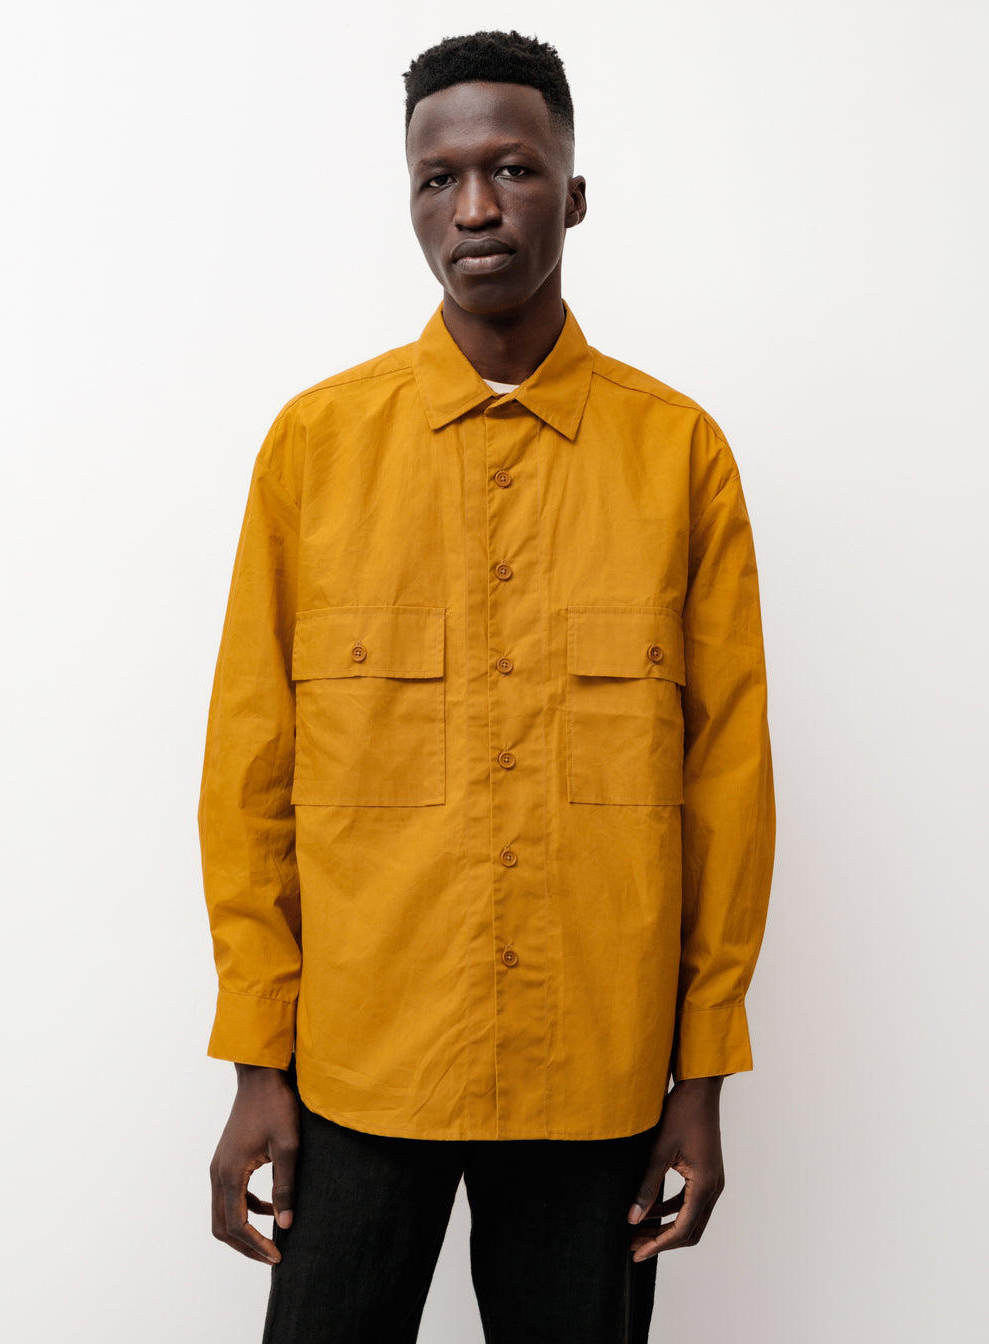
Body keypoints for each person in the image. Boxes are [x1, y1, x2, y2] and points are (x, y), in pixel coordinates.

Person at [199, 29, 776, 1344]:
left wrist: (701, 1080)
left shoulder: (680, 458)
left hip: (598, 1079)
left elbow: (727, 788)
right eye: (437, 177)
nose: (473, 208)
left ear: (574, 192)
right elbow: (251, 777)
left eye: (513, 169)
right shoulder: (314, 450)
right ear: (410, 201)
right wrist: (255, 1063)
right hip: (360, 1074)